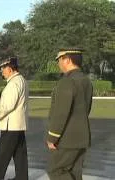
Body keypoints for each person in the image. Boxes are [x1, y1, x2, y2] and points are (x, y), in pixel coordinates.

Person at [46, 48, 93, 180]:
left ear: (67, 60)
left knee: (56, 170)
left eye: (59, 60)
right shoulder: (86, 81)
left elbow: (60, 113)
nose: (58, 63)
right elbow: (86, 108)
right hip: (82, 136)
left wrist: (52, 137)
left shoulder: (66, 81)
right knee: (75, 173)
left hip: (67, 138)